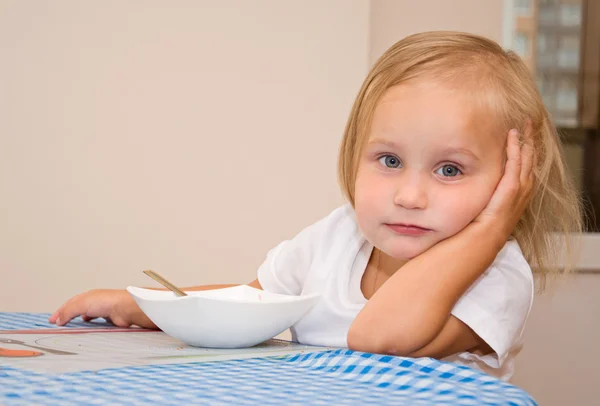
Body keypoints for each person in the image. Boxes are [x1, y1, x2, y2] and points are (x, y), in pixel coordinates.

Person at [49, 31, 583, 380]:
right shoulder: (338, 236)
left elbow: (380, 338)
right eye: (389, 160)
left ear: (511, 184)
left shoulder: (496, 275)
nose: (409, 195)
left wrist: (491, 230)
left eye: (450, 170)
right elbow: (248, 305)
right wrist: (140, 303)